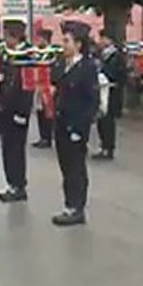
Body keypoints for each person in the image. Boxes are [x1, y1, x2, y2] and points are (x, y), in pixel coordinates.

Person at [52, 25, 98, 226]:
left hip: (76, 125)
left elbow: (91, 101)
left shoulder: (87, 68)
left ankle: (77, 208)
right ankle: (68, 203)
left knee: (76, 167)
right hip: (61, 122)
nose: (63, 45)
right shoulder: (63, 64)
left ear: (78, 44)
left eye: (67, 41)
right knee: (65, 166)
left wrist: (80, 128)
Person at [0, 26, 34, 202]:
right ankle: (11, 183)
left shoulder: (26, 57)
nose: (5, 40)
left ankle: (19, 185)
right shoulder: (8, 55)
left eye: (7, 36)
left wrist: (22, 113)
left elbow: (27, 88)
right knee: (7, 148)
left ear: (15, 37)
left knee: (16, 149)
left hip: (18, 111)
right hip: (6, 109)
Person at [93, 28, 127, 160]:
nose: (100, 41)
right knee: (101, 120)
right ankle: (103, 146)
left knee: (108, 121)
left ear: (110, 40)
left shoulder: (117, 56)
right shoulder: (101, 55)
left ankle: (109, 148)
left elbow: (118, 74)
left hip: (111, 92)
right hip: (101, 90)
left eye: (103, 38)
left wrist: (105, 73)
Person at [31, 28, 55, 149]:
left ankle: (48, 137)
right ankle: (43, 136)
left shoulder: (51, 53)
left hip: (47, 86)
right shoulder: (39, 52)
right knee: (40, 112)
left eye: (39, 38)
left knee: (47, 113)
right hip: (39, 85)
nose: (37, 41)